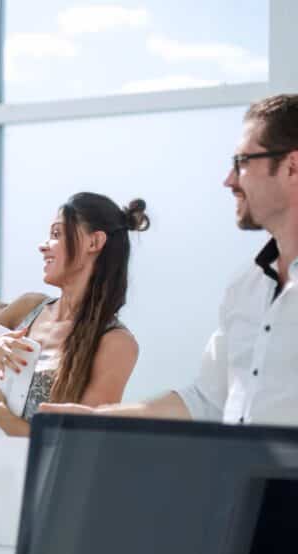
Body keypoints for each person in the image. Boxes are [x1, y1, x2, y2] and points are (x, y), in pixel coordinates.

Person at [42, 94, 298, 427]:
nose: (229, 180)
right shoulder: (244, 288)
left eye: (242, 162)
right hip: (242, 478)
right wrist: (96, 418)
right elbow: (205, 400)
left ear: (292, 167)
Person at [0, 192, 150, 436]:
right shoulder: (27, 307)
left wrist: (0, 416)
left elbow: (81, 442)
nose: (43, 246)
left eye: (56, 234)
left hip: (39, 475)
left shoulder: (117, 343)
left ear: (93, 243)